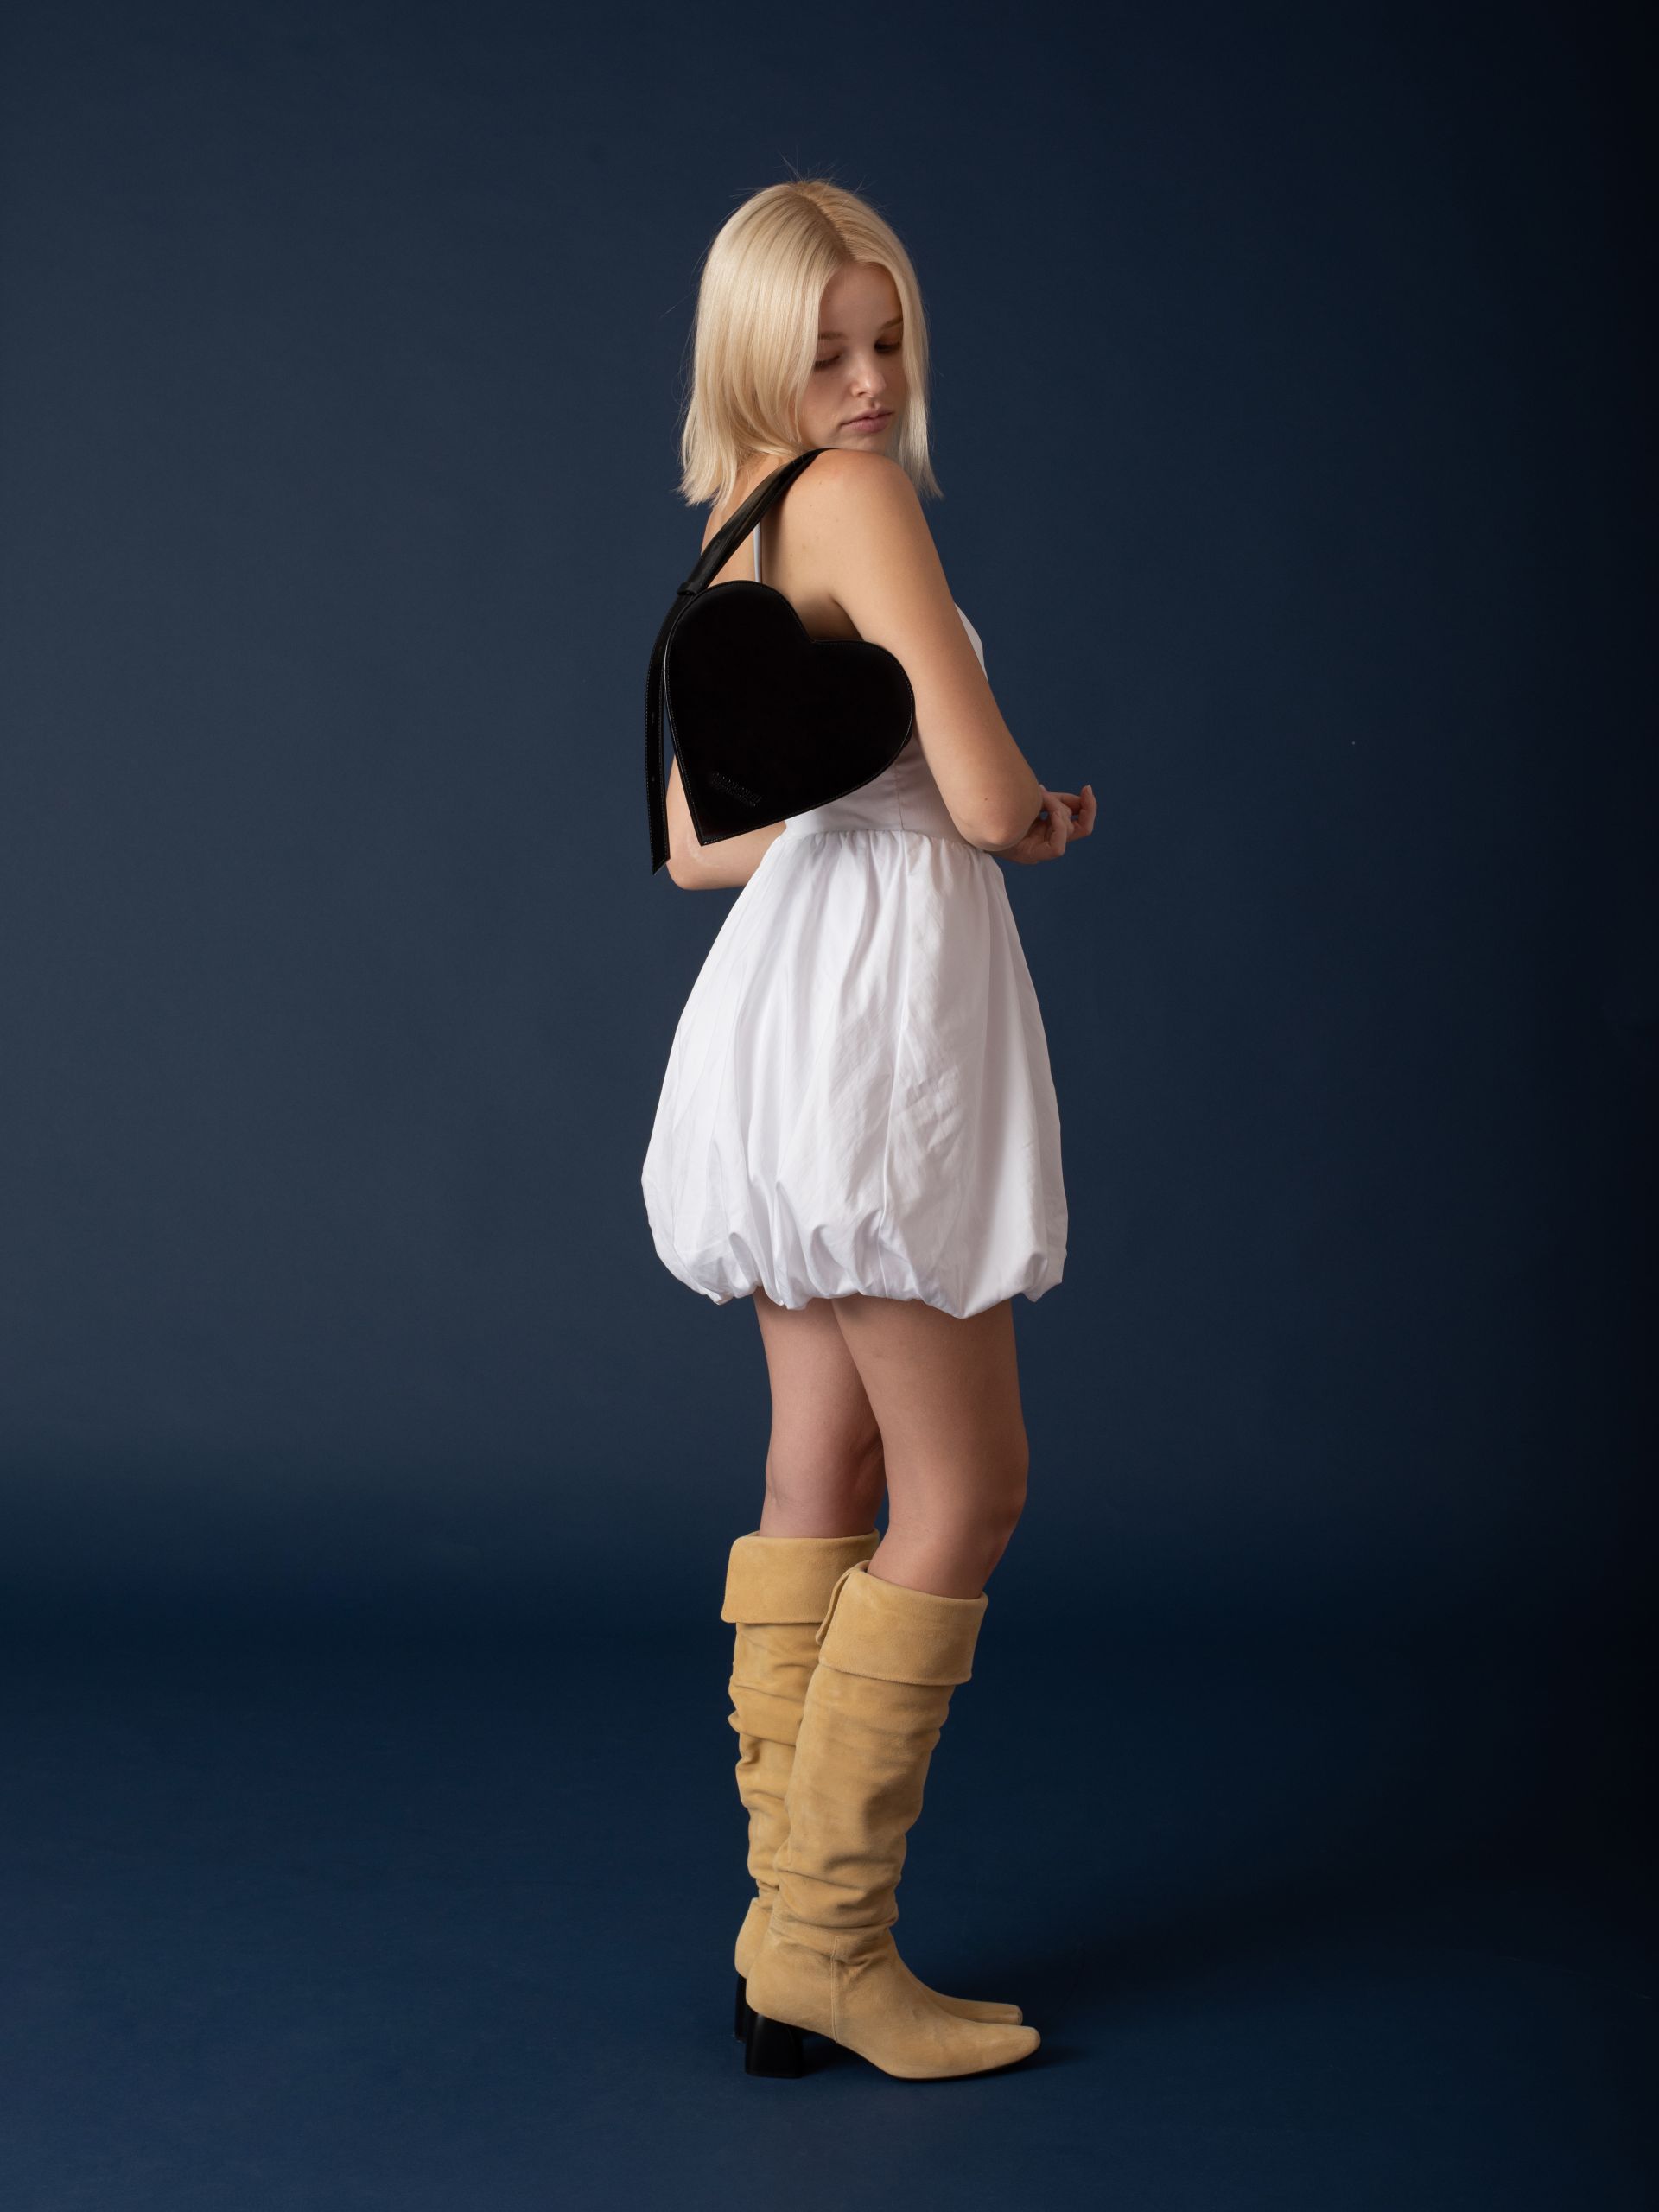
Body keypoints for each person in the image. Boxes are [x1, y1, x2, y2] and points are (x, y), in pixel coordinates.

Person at [639, 180, 1096, 2082]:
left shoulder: (735, 527)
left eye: (887, 338)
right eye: (825, 348)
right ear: (753, 353)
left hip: (776, 1011)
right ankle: (828, 1940)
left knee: (817, 1455)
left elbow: (694, 852)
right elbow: (983, 799)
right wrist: (1041, 816)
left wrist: (861, 812)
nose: (865, 382)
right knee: (965, 1487)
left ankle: (786, 1952)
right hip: (884, 1022)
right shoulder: (861, 500)